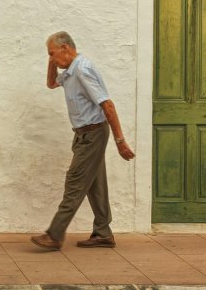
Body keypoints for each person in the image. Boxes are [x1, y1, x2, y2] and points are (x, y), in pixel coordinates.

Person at [31, 31, 135, 251]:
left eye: (53, 53)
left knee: (75, 182)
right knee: (95, 185)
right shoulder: (69, 71)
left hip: (93, 134)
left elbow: (107, 104)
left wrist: (120, 141)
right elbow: (50, 83)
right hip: (84, 134)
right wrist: (52, 61)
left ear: (66, 48)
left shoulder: (82, 70)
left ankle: (54, 235)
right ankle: (103, 233)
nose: (51, 58)